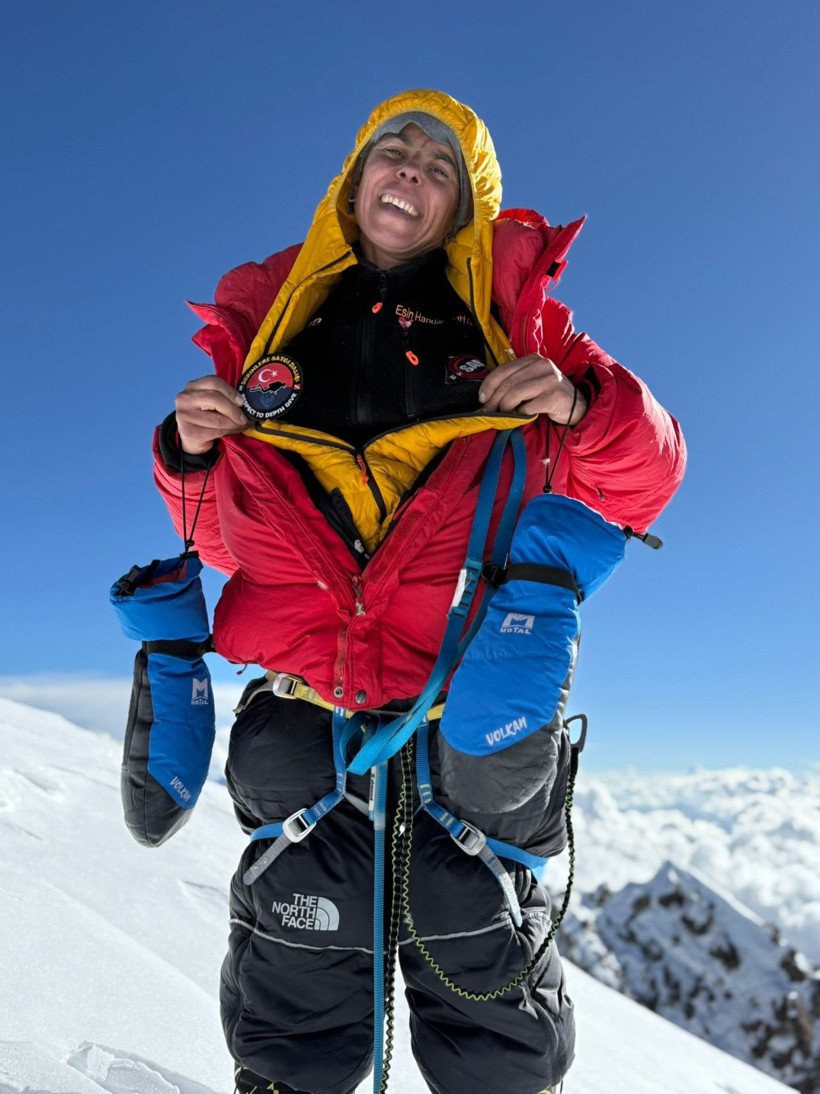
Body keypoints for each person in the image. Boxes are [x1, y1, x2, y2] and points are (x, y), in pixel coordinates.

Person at [153, 89, 685, 1094]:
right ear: (352, 182)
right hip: (308, 728)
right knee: (291, 1004)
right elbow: (221, 537)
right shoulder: (267, 334)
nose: (409, 169)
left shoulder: (523, 335)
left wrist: (578, 405)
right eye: (392, 151)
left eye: (439, 167)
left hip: (462, 730)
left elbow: (648, 478)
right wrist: (185, 451)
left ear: (464, 206)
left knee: (482, 990)